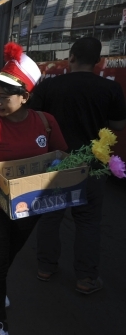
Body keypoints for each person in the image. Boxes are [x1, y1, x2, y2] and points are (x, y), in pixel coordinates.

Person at [0, 42, 68, 335]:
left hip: (31, 208)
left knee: (9, 253)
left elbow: (61, 156)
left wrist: (63, 172)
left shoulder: (46, 122)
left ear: (25, 96)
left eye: (5, 96)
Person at [29, 37, 126, 293]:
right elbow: (117, 126)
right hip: (92, 163)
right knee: (88, 221)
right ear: (98, 61)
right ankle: (86, 278)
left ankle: (45, 268)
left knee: (51, 215)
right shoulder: (110, 89)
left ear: (70, 56)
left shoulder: (49, 86)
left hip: (56, 162)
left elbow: (32, 119)